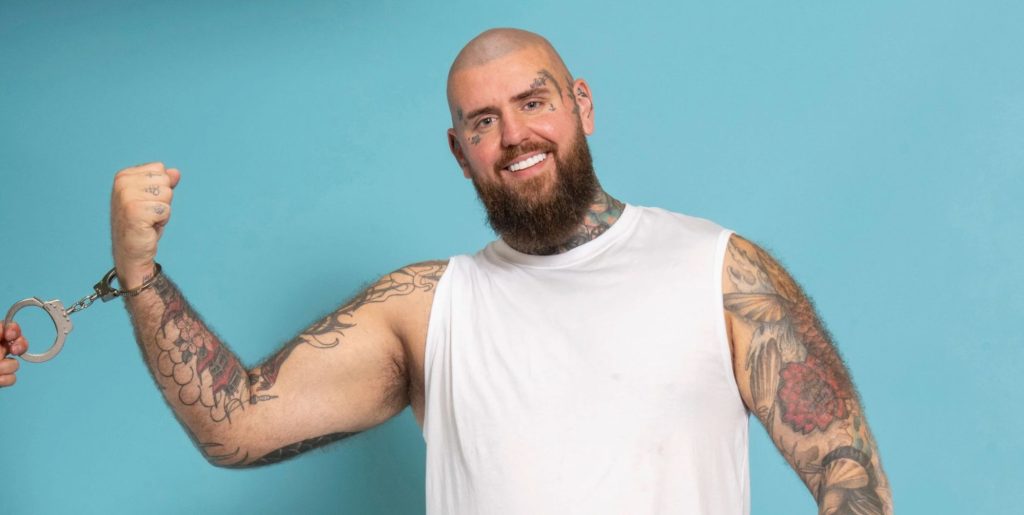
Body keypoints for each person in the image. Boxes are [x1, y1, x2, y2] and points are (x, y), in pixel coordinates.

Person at [15, 28, 892, 514]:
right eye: (482, 122)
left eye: (534, 102)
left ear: (581, 105)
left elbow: (850, 480)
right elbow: (234, 424)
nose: (513, 136)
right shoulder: (427, 309)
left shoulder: (719, 271)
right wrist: (140, 271)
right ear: (459, 150)